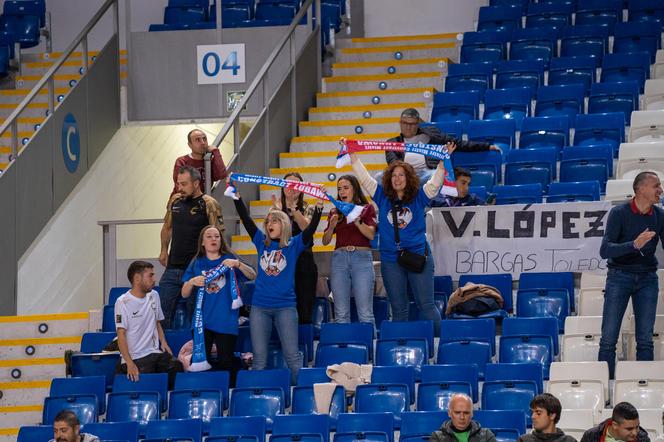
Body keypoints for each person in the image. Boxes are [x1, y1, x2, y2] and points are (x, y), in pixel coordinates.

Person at [231, 177, 323, 383]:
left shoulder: (293, 245)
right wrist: (237, 197)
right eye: (268, 221)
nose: (269, 224)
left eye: (274, 221)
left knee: (292, 356)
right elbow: (246, 220)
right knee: (259, 358)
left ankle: (301, 397)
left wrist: (318, 206)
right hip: (260, 308)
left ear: (284, 225)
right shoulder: (260, 243)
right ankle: (257, 399)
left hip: (286, 308)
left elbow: (310, 230)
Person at [349, 149, 446, 336]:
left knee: (426, 305)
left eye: (401, 175)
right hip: (390, 260)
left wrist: (442, 163)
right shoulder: (382, 197)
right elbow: (365, 179)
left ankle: (441, 346)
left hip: (418, 256)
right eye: (393, 175)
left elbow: (434, 185)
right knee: (399, 309)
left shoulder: (419, 196)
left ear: (409, 178)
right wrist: (353, 156)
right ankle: (401, 348)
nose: (397, 178)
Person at [598, 171, 664, 378]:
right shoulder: (619, 213)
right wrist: (633, 245)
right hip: (619, 276)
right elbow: (605, 250)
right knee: (609, 337)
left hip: (648, 278)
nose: (660, 190)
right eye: (656, 186)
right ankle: (606, 384)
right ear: (641, 189)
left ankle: (643, 383)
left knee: (645, 337)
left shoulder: (660, 215)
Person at [181, 225, 256, 385]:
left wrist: (238, 264)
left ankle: (228, 397)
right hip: (202, 322)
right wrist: (191, 282)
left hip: (226, 319)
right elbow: (184, 293)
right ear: (202, 242)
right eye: (209, 236)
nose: (213, 239)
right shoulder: (197, 263)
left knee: (226, 362)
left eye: (216, 236)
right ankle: (204, 397)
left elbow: (252, 275)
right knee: (200, 362)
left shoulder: (228, 258)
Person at [159, 166, 224, 329]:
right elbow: (167, 227)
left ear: (196, 183)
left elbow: (218, 235)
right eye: (178, 184)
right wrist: (163, 250)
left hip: (197, 268)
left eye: (184, 184)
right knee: (161, 314)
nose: (180, 188)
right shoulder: (175, 200)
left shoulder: (209, 204)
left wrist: (214, 264)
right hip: (173, 267)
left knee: (195, 317)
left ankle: (196, 352)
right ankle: (162, 351)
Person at [115, 261, 183, 389]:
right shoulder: (122, 302)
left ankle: (168, 404)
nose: (154, 280)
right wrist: (129, 363)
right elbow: (121, 334)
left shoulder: (154, 295)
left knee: (176, 366)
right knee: (147, 375)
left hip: (153, 352)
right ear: (137, 278)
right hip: (135, 356)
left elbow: (156, 321)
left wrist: (163, 341)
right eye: (150, 276)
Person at [384, 108, 499, 182]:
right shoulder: (392, 143)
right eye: (405, 123)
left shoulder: (432, 134)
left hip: (428, 173)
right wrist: (408, 175)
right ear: (400, 123)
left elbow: (458, 143)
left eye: (412, 124)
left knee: (437, 176)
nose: (408, 127)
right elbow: (393, 163)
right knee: (380, 177)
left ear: (418, 124)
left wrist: (486, 146)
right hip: (405, 176)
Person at [322, 175, 377, 325]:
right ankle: (343, 347)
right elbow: (325, 241)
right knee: (341, 313)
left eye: (346, 188)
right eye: (339, 189)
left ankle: (368, 348)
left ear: (355, 189)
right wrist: (332, 226)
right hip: (339, 259)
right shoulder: (335, 211)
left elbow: (370, 234)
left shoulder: (366, 209)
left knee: (365, 312)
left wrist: (356, 218)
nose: (342, 192)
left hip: (361, 258)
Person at [272, 172, 319, 325]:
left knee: (304, 306)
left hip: (304, 261)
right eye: (288, 184)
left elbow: (306, 228)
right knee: (282, 305)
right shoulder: (276, 207)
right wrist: (276, 213)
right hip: (282, 261)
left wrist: (293, 208)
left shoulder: (309, 207)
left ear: (302, 188)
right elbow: (271, 235)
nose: (292, 188)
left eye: (296, 185)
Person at [171, 128, 228, 195]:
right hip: (182, 201)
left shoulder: (209, 161)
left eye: (204, 139)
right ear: (190, 145)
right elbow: (180, 186)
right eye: (198, 140)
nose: (203, 143)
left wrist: (215, 152)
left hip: (201, 201)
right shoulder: (182, 161)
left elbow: (221, 175)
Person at [430, 393, 496, 442]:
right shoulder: (437, 437)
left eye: (466, 413)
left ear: (472, 414)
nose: (462, 417)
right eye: (457, 412)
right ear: (449, 413)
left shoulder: (486, 435)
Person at [580, 402, 650, 442]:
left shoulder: (642, 439)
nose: (635, 432)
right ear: (615, 425)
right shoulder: (591, 436)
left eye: (637, 427)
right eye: (629, 429)